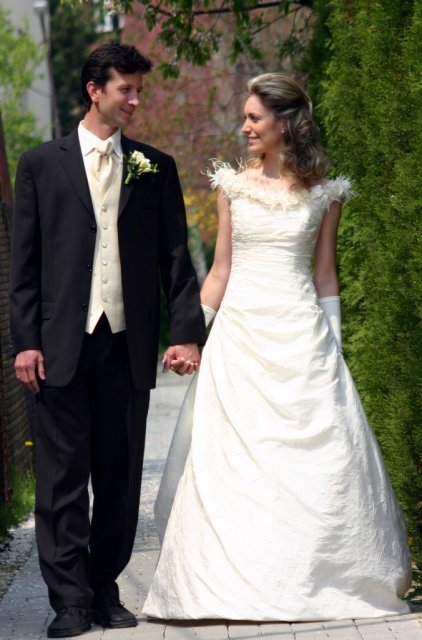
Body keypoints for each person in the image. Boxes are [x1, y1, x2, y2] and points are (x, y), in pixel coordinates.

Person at [142, 73, 412, 621]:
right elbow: (220, 271)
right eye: (245, 117)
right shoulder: (231, 188)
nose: (244, 127)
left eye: (254, 118)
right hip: (240, 339)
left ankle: (316, 579)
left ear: (284, 123)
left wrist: (333, 345)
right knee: (234, 464)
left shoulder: (325, 193)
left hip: (301, 337)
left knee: (314, 460)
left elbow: (326, 275)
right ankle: (223, 584)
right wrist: (191, 335)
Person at [9, 43, 205, 638]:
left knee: (119, 478)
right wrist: (25, 341)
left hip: (125, 343)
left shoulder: (154, 166)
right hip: (59, 344)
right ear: (95, 90)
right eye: (127, 89)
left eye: (139, 90)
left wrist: (187, 333)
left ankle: (104, 589)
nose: (136, 100)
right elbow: (24, 263)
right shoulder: (40, 164)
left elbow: (176, 258)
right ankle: (69, 601)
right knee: (61, 479)